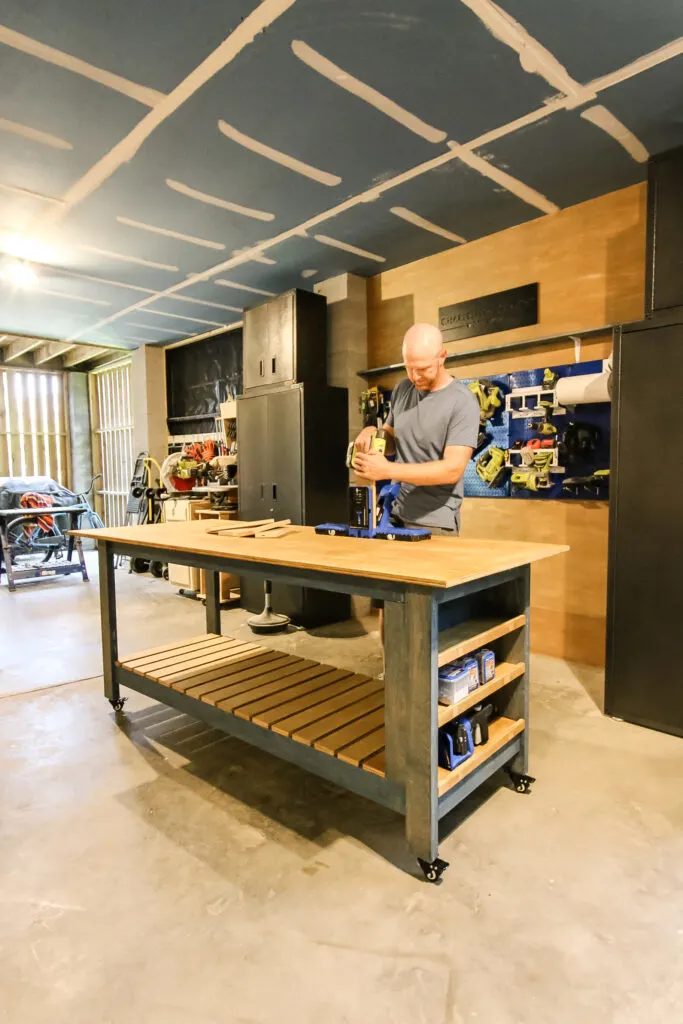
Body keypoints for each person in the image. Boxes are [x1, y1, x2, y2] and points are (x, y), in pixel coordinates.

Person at [353, 322, 479, 535]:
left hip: (434, 523)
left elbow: (452, 470)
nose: (414, 376)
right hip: (394, 514)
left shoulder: (462, 402)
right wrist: (372, 432)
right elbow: (390, 442)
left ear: (442, 357)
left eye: (422, 369)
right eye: (408, 368)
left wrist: (387, 470)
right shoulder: (403, 389)